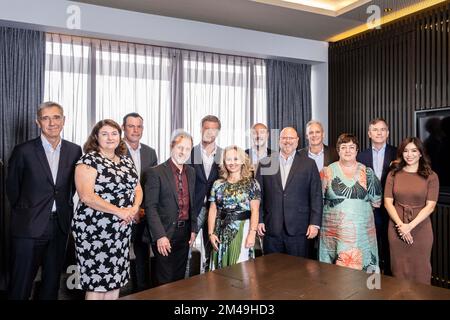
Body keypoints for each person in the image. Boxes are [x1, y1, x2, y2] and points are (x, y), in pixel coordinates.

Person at [6, 102, 82, 300]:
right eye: (46, 118)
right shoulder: (23, 151)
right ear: (38, 122)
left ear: (64, 121)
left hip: (60, 226)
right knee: (21, 284)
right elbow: (12, 189)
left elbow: (72, 187)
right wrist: (28, 211)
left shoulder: (75, 151)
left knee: (51, 283)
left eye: (56, 117)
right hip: (28, 227)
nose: (52, 123)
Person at [72, 119, 142, 300]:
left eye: (114, 133)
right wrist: (120, 211)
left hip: (121, 229)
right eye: (104, 133)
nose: (110, 137)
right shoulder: (89, 159)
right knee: (97, 283)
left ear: (120, 136)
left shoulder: (126, 160)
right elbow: (86, 196)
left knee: (115, 280)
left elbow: (137, 188)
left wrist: (133, 209)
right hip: (94, 230)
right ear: (96, 137)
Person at [256, 127, 322, 257]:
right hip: (271, 227)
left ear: (297, 141)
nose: (287, 141)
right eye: (284, 138)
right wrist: (259, 220)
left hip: (300, 229)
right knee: (272, 271)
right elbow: (258, 195)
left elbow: (316, 195)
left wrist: (314, 223)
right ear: (279, 140)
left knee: (299, 271)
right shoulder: (266, 163)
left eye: (291, 138)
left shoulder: (309, 164)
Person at [319, 133, 381, 271]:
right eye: (344, 147)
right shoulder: (326, 172)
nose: (348, 150)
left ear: (357, 150)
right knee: (332, 276)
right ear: (338, 150)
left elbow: (376, 202)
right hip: (333, 234)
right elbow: (319, 202)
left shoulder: (368, 172)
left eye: (352, 147)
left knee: (365, 277)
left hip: (362, 234)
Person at [144, 130, 197, 285]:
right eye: (180, 147)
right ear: (172, 146)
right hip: (164, 232)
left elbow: (191, 203)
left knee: (179, 278)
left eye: (187, 149)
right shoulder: (156, 172)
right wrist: (160, 236)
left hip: (185, 232)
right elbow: (150, 207)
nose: (183, 152)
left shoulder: (191, 172)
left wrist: (193, 229)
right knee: (165, 278)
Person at [384, 137, 439, 284]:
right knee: (398, 271)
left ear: (420, 153)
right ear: (401, 154)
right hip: (396, 228)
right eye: (406, 151)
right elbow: (388, 202)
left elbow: (430, 206)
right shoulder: (393, 174)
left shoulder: (431, 176)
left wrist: (409, 226)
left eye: (414, 151)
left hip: (420, 229)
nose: (409, 154)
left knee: (421, 271)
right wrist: (401, 226)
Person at [207, 146, 260, 270]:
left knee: (241, 269)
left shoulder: (252, 184)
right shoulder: (217, 184)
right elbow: (213, 210)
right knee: (219, 272)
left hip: (242, 230)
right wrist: (210, 233)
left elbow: (255, 211)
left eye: (236, 159)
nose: (232, 163)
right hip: (220, 230)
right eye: (228, 159)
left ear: (242, 161)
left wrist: (252, 233)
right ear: (224, 162)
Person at [122, 112, 158, 292]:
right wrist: (129, 210)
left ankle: (142, 292)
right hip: (120, 214)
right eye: (131, 126)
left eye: (139, 126)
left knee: (143, 255)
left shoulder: (150, 153)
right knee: (118, 256)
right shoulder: (114, 149)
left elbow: (152, 186)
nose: (135, 130)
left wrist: (142, 210)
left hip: (142, 214)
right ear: (123, 128)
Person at [357, 118, 397, 275]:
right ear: (369, 133)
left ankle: (389, 280)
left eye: (382, 129)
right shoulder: (361, 156)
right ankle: (372, 280)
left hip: (392, 209)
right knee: (370, 246)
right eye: (375, 130)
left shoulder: (398, 153)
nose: (379, 133)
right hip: (369, 210)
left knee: (389, 247)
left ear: (387, 133)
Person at [298, 120, 338, 259]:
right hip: (305, 209)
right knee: (307, 249)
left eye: (317, 132)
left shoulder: (335, 153)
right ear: (307, 136)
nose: (314, 135)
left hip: (330, 208)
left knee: (328, 247)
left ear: (323, 134)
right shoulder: (299, 155)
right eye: (311, 132)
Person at [187, 115, 222, 273]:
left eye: (213, 129)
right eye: (207, 128)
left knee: (213, 253)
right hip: (194, 209)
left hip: (216, 210)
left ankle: (210, 289)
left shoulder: (224, 154)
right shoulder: (189, 152)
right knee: (186, 252)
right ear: (201, 129)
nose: (210, 132)